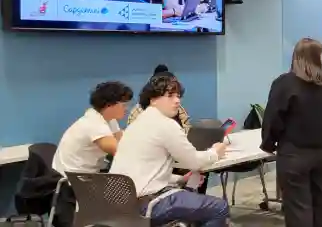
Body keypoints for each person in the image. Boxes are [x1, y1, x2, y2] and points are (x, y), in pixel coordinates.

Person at [110, 73, 229, 227]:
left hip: (121, 205)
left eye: (178, 96)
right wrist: (215, 152)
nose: (177, 100)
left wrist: (179, 179)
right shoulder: (166, 124)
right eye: (170, 95)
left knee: (192, 199)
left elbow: (145, 170)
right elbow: (194, 162)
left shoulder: (135, 125)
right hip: (149, 205)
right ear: (152, 99)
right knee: (219, 208)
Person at [261, 38, 322, 227]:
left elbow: (272, 117)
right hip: (320, 152)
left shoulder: (285, 84)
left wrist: (269, 143)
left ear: (296, 57)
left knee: (298, 207)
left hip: (292, 153)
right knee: (321, 202)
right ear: (319, 58)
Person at [52, 81, 133, 227]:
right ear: (109, 105)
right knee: (129, 198)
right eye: (124, 104)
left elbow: (122, 139)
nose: (126, 109)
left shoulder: (106, 119)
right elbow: (120, 151)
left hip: (84, 178)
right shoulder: (94, 124)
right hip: (73, 184)